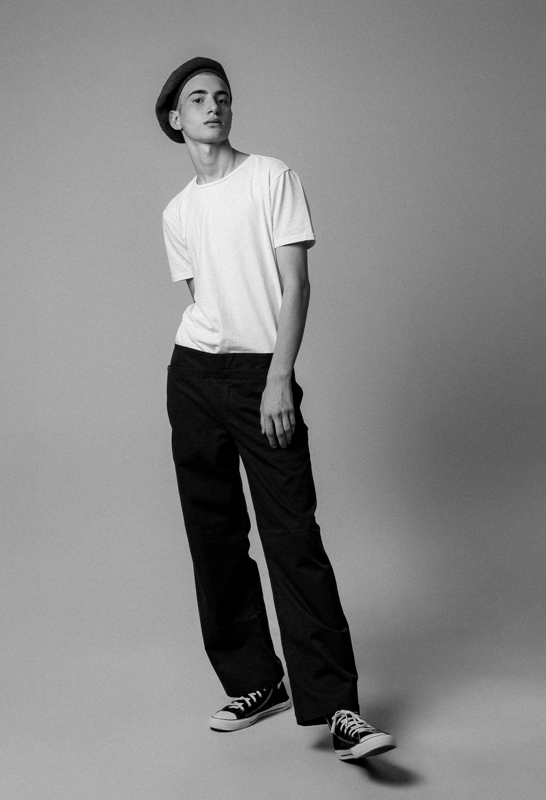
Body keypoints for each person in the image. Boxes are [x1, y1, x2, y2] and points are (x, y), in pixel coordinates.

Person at [155, 56, 396, 761]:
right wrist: (215, 368)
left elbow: (296, 286)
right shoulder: (176, 212)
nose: (213, 106)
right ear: (174, 118)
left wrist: (279, 377)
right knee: (213, 535)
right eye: (198, 98)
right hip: (194, 376)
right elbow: (206, 299)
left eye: (222, 96)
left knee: (292, 534)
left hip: (264, 373)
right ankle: (256, 682)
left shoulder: (271, 177)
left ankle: (340, 709)